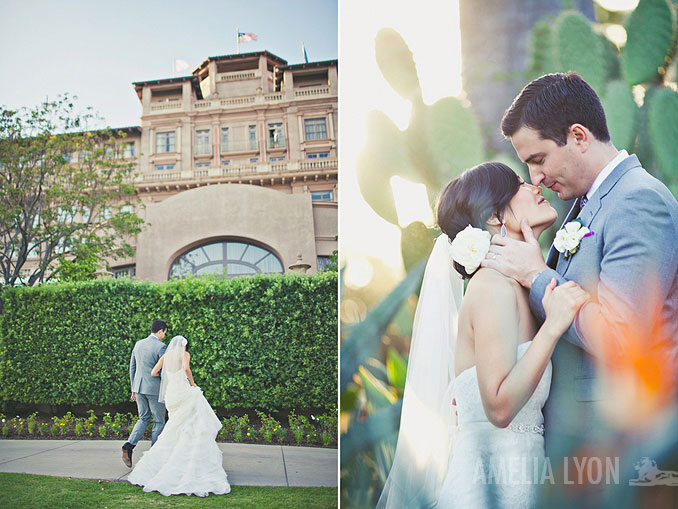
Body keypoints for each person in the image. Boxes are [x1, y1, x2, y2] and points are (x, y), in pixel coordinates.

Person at [483, 72, 678, 481]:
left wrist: (537, 276)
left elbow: (624, 339)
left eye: (538, 160)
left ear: (578, 136)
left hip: (620, 448)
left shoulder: (636, 200)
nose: (535, 178)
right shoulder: (586, 204)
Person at [378, 162, 590, 508]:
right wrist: (553, 326)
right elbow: (499, 406)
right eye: (521, 183)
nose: (537, 186)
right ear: (495, 216)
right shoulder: (492, 286)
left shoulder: (518, 285)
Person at [127, 335, 231, 497]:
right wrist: (193, 383)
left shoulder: (166, 356)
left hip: (171, 395)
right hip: (182, 392)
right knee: (189, 424)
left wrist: (168, 377)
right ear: (184, 345)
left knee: (174, 427)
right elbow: (186, 369)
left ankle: (161, 462)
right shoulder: (185, 354)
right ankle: (185, 461)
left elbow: (154, 372)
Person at [122, 319, 168, 468]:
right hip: (154, 390)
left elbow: (132, 367)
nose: (164, 336)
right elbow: (163, 371)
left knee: (143, 418)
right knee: (159, 421)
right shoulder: (161, 347)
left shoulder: (138, 344)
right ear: (160, 331)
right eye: (164, 333)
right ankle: (154, 456)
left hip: (139, 387)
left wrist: (133, 388)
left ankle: (129, 446)